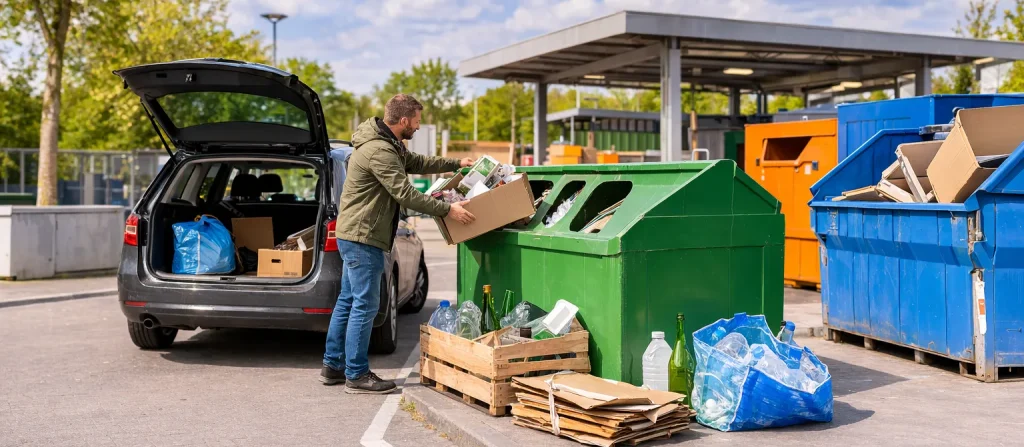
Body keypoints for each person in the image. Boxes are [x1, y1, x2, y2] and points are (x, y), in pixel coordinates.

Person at [321, 94, 475, 394]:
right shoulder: (380, 150)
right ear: (403, 120)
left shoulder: (387, 144)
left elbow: (416, 162)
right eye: (416, 121)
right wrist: (448, 209)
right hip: (364, 236)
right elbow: (405, 194)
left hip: (354, 234)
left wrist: (456, 163)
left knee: (349, 301)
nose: (418, 127)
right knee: (364, 305)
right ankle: (356, 374)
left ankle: (333, 365)